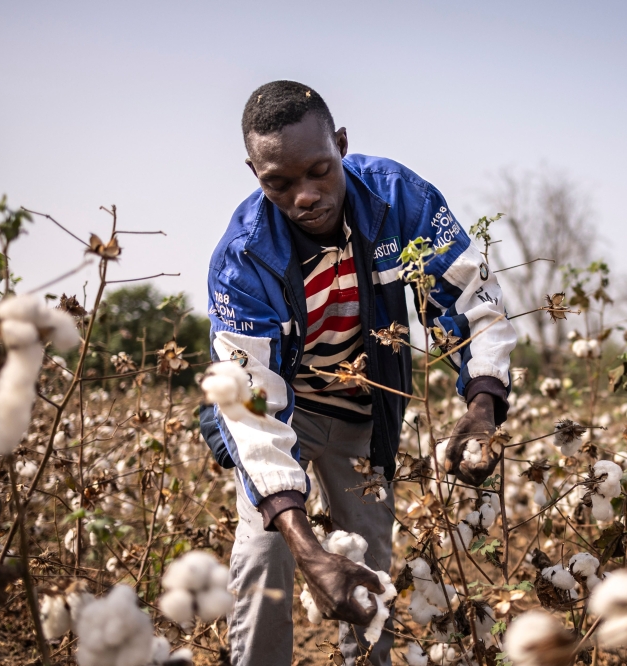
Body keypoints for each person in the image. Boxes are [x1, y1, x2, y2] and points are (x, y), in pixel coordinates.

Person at [200, 80, 517, 666]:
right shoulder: (243, 259)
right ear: (254, 173)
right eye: (279, 183)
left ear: (341, 144)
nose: (305, 196)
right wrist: (309, 552)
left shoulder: (400, 200)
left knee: (369, 572)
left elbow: (475, 300)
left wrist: (482, 407)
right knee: (266, 554)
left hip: (362, 419)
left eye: (320, 170)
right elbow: (252, 413)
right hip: (284, 417)